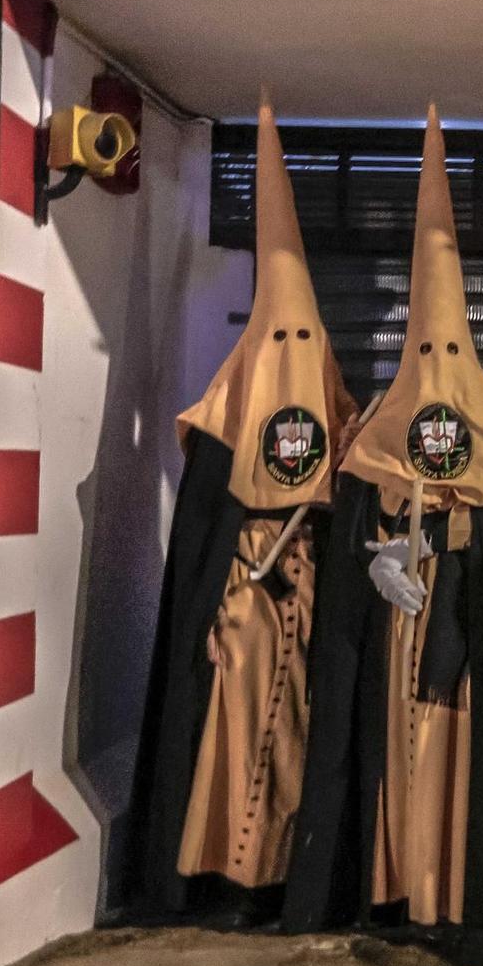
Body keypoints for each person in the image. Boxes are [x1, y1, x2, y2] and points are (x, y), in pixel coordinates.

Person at [281, 107, 483, 938]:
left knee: (459, 762)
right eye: (424, 355)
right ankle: (396, 886)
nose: (436, 375)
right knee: (398, 756)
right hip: (396, 642)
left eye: (450, 355)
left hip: (464, 639)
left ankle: (458, 887)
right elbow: (354, 527)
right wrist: (376, 558)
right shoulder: (375, 443)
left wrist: (448, 540)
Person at [126, 92, 357, 921]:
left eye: (308, 343)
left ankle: (284, 880)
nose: (295, 360)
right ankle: (219, 876)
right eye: (280, 343)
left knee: (294, 744)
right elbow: (205, 533)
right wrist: (232, 591)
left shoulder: (335, 418)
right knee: (228, 744)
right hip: (242, 614)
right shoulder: (227, 430)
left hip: (306, 613)